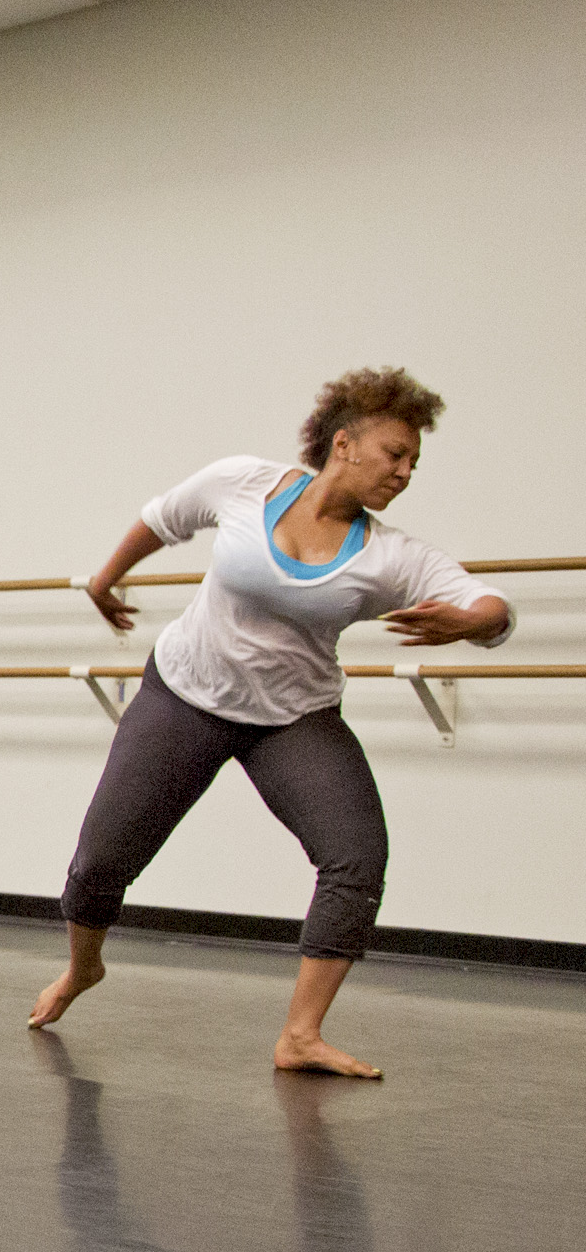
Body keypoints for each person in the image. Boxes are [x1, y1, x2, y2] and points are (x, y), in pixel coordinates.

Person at [31, 368, 513, 1079]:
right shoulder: (244, 483)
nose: (406, 472)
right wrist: (105, 580)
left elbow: (490, 605)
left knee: (356, 857)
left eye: (414, 461)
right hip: (184, 695)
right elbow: (164, 517)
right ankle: (82, 969)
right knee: (102, 861)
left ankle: (300, 1034)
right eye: (395, 453)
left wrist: (472, 622)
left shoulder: (387, 556)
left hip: (292, 718)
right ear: (343, 444)